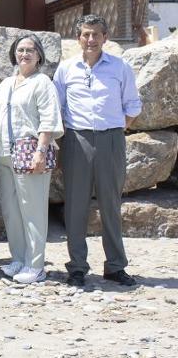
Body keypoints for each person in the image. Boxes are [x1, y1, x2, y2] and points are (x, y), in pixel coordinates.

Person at [54, 14, 140, 288]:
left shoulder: (120, 67)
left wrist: (112, 132)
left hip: (111, 140)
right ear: (78, 38)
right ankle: (77, 267)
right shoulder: (66, 69)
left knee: (111, 205)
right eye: (86, 34)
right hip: (76, 140)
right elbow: (58, 107)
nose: (91, 40)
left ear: (106, 37)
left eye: (96, 35)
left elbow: (132, 107)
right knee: (75, 206)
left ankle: (115, 266)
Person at [0, 33, 63, 285]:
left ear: (39, 56)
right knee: (12, 212)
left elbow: (49, 119)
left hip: (30, 152)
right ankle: (19, 258)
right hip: (3, 153)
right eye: (20, 49)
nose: (24, 54)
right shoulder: (4, 84)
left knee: (32, 212)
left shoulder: (42, 82)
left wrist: (41, 152)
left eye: (30, 50)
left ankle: (36, 265)